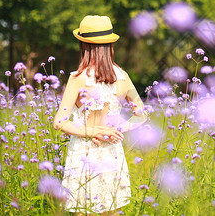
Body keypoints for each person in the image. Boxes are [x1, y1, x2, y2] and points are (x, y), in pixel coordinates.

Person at [53, 15, 149, 215]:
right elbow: (141, 115)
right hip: (112, 152)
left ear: (83, 45)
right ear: (110, 46)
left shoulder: (77, 78)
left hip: (83, 154)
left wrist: (93, 131)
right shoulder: (122, 77)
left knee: (83, 209)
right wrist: (113, 130)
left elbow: (59, 122)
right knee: (112, 209)